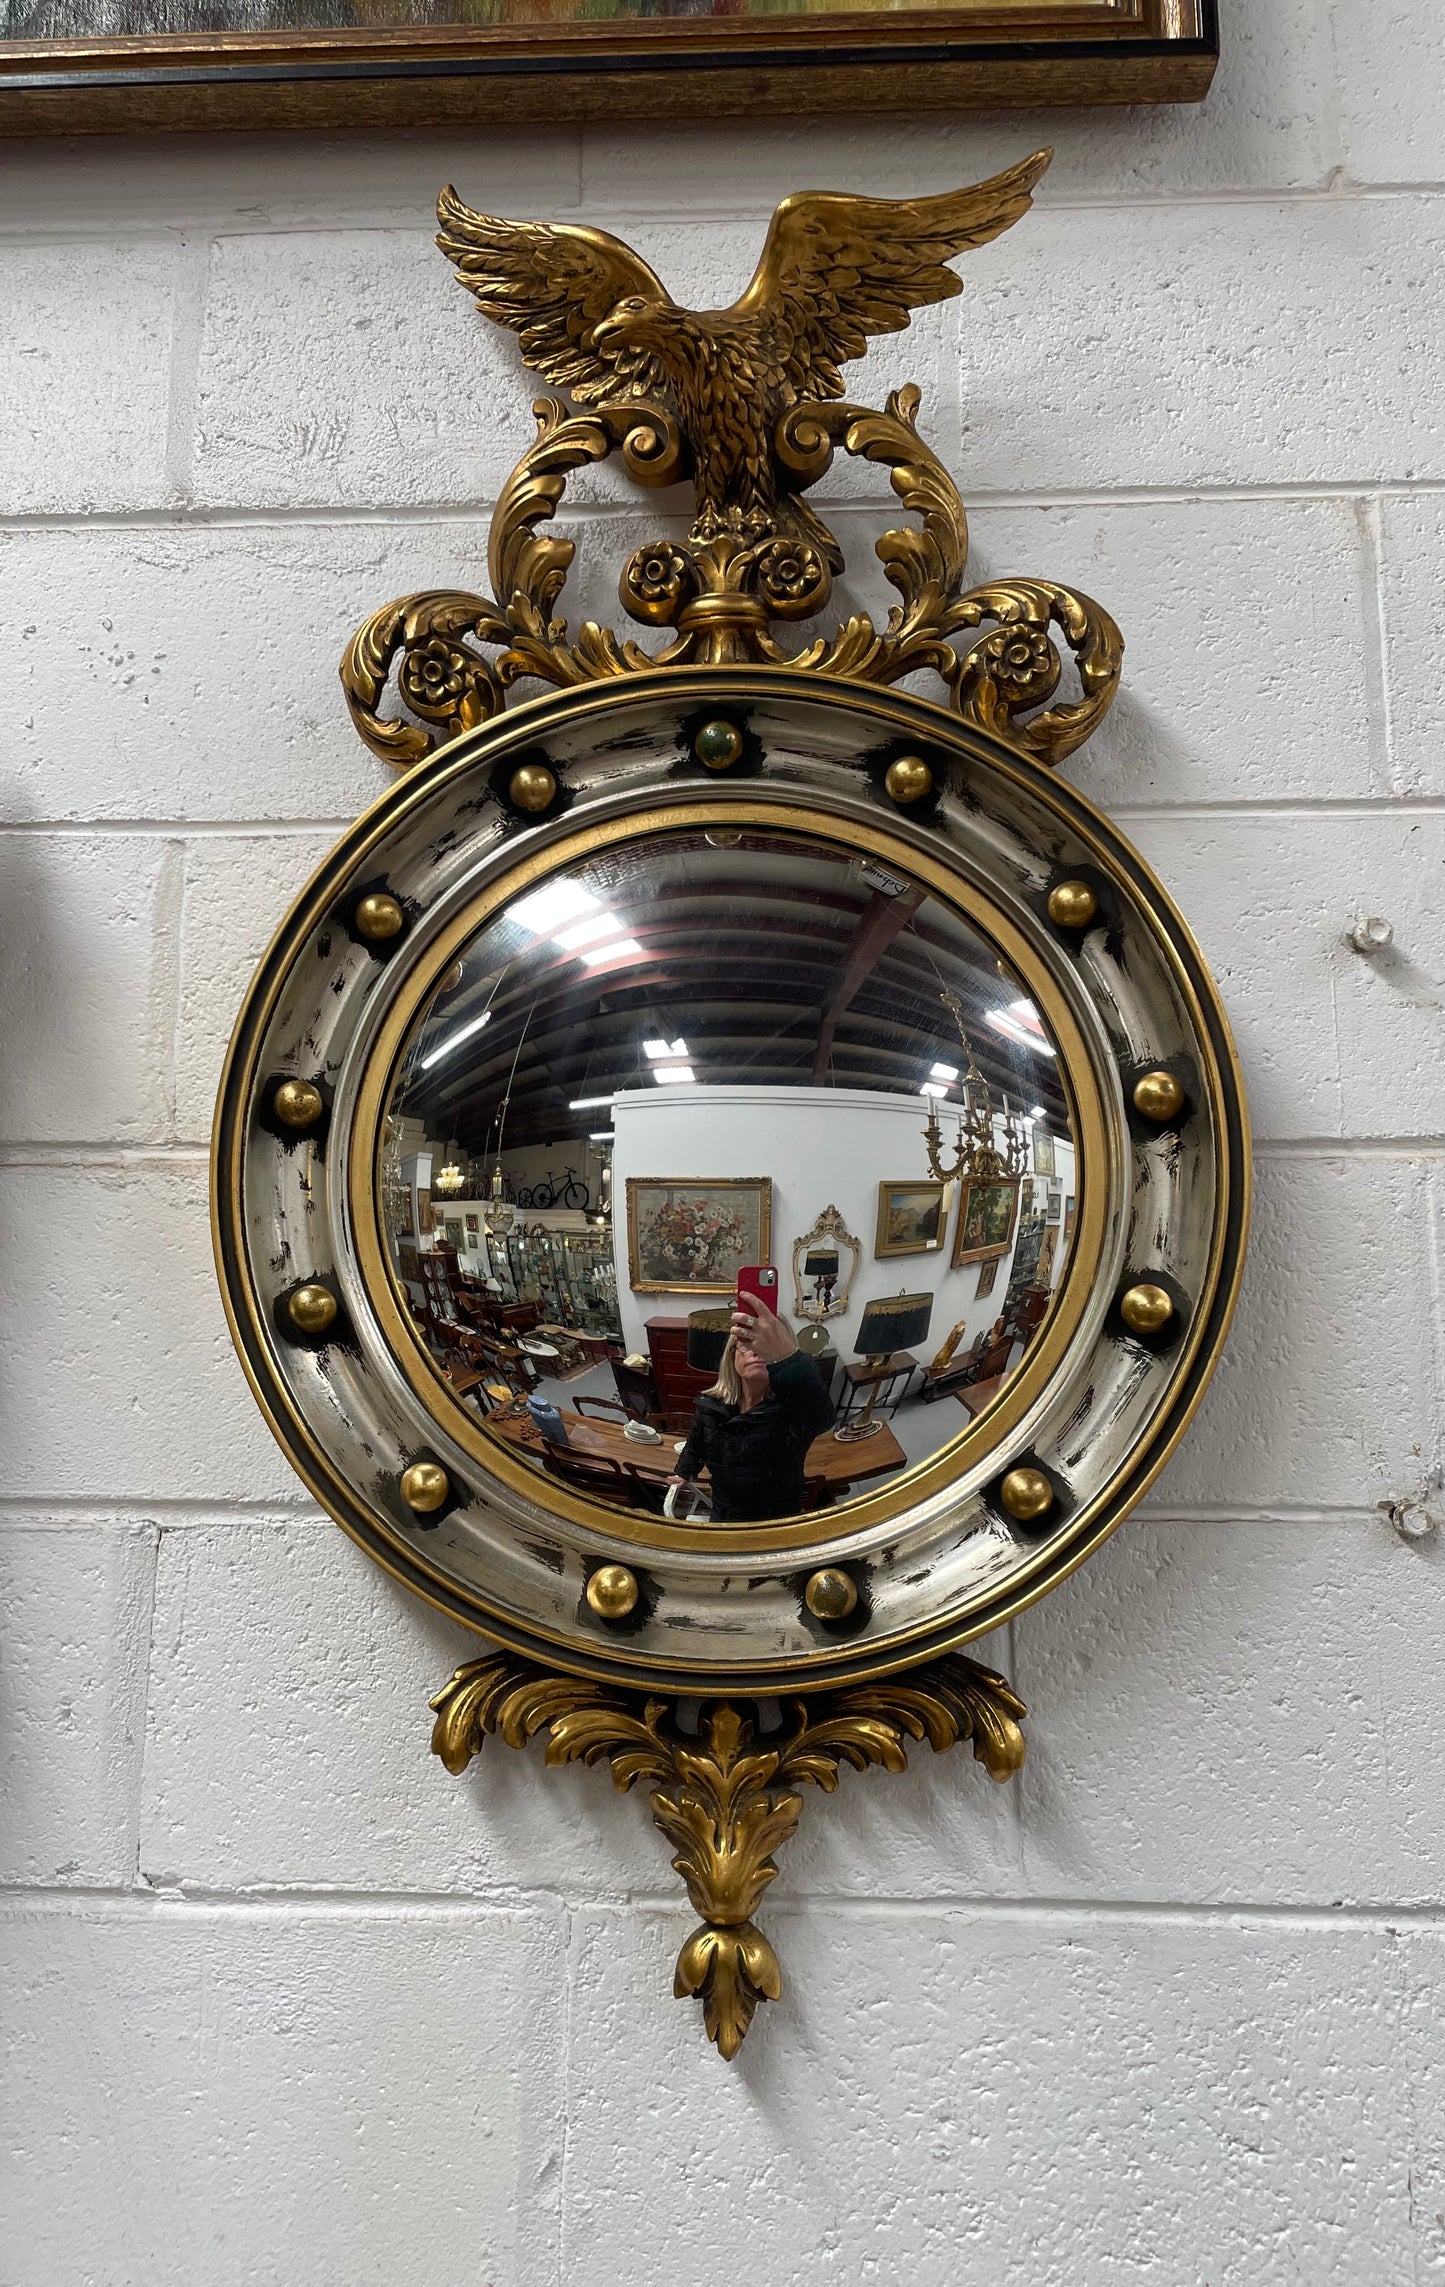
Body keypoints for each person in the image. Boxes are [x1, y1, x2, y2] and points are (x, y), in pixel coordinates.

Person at [668, 1296, 836, 1524]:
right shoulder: (711, 1405)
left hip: (776, 1522)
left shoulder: (793, 1408)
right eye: (746, 1346)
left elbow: (822, 1417)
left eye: (766, 1348)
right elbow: (696, 1444)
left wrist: (787, 1357)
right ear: (732, 1358)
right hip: (724, 1516)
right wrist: (684, 1472)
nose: (755, 1353)